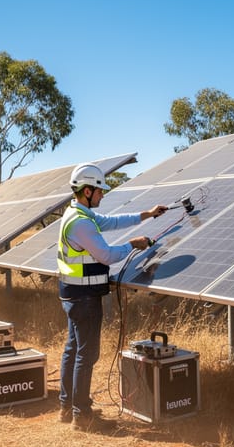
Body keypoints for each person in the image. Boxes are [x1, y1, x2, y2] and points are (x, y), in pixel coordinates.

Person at [57, 163, 167, 431]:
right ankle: (80, 414)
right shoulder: (81, 223)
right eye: (99, 191)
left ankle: (67, 405)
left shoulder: (77, 214)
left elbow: (113, 222)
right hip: (83, 297)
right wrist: (133, 244)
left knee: (73, 349)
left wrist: (147, 215)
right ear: (87, 191)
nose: (102, 195)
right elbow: (106, 255)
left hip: (73, 294)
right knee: (86, 353)